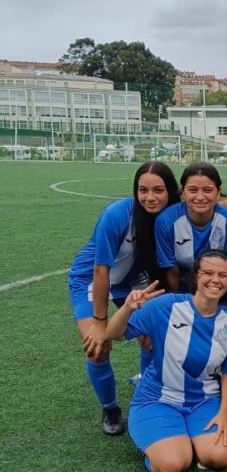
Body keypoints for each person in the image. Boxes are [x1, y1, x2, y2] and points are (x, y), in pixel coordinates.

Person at [106, 249, 227, 472]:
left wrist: (224, 412)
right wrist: (127, 308)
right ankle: (175, 444)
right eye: (208, 273)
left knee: (221, 457)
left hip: (204, 400)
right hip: (158, 399)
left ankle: (188, 441)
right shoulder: (166, 306)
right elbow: (114, 334)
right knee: (171, 465)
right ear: (196, 276)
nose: (215, 280)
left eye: (222, 275)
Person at [70, 161, 179, 435]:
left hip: (133, 279)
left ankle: (146, 392)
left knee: (153, 336)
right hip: (92, 279)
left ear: (170, 191)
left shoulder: (174, 216)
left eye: (158, 190)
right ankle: (110, 408)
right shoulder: (118, 214)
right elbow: (100, 270)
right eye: (143, 190)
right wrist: (100, 323)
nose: (150, 197)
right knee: (98, 347)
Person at [155, 162, 227, 295]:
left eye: (207, 190)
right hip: (183, 289)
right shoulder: (166, 221)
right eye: (193, 190)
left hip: (218, 288)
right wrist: (176, 303)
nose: (200, 197)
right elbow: (171, 271)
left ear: (218, 193)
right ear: (183, 193)